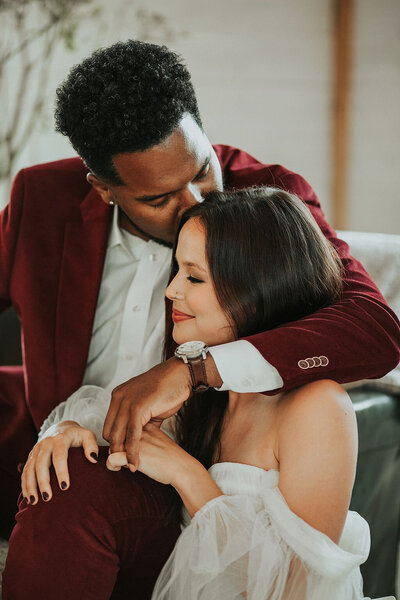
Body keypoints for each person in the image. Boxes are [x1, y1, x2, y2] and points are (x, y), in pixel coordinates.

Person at [1, 39, 399, 596]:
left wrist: (193, 370)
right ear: (103, 188)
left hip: (187, 466)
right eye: (160, 198)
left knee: (71, 493)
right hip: (79, 431)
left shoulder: (266, 201)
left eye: (202, 170)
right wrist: (64, 427)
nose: (194, 203)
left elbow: (373, 329)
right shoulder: (41, 197)